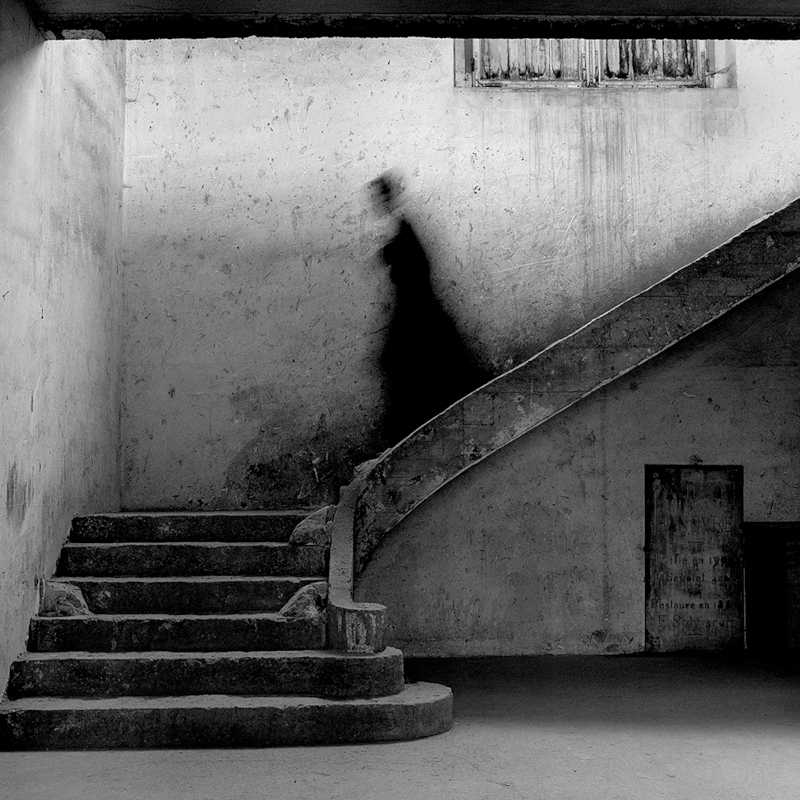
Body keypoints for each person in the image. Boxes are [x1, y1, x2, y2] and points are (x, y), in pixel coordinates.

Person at [370, 171, 489, 444]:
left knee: (417, 372)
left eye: (381, 196)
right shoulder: (399, 226)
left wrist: (392, 257)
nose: (378, 202)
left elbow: (419, 266)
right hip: (415, 309)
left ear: (388, 195)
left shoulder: (403, 226)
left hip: (417, 310)